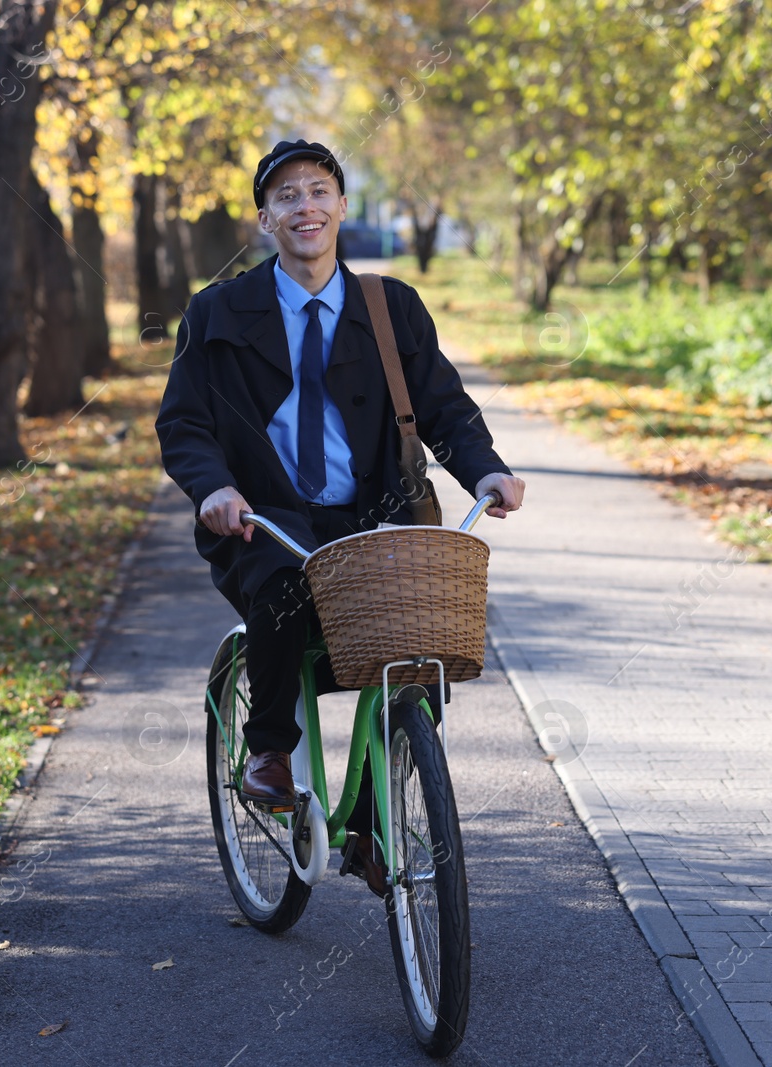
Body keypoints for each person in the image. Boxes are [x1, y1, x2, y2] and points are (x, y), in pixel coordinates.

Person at [156, 139, 525, 895]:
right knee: (285, 585)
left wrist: (485, 466)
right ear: (266, 218)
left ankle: (379, 798)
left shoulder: (390, 308)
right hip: (265, 516)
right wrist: (214, 489)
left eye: (318, 190)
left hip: (371, 512)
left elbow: (445, 407)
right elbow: (185, 423)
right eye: (286, 196)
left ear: (342, 208)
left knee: (416, 622)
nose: (305, 206)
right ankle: (269, 750)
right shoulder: (217, 312)